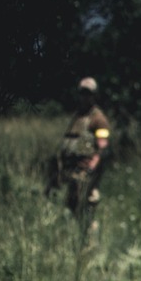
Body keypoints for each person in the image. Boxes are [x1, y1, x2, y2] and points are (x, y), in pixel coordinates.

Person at [47, 77, 111, 227]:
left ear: (95, 95)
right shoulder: (78, 116)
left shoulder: (99, 119)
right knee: (71, 208)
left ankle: (89, 243)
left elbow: (102, 147)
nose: (85, 97)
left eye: (88, 93)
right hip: (71, 171)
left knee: (85, 210)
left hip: (85, 172)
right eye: (82, 93)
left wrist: (91, 169)